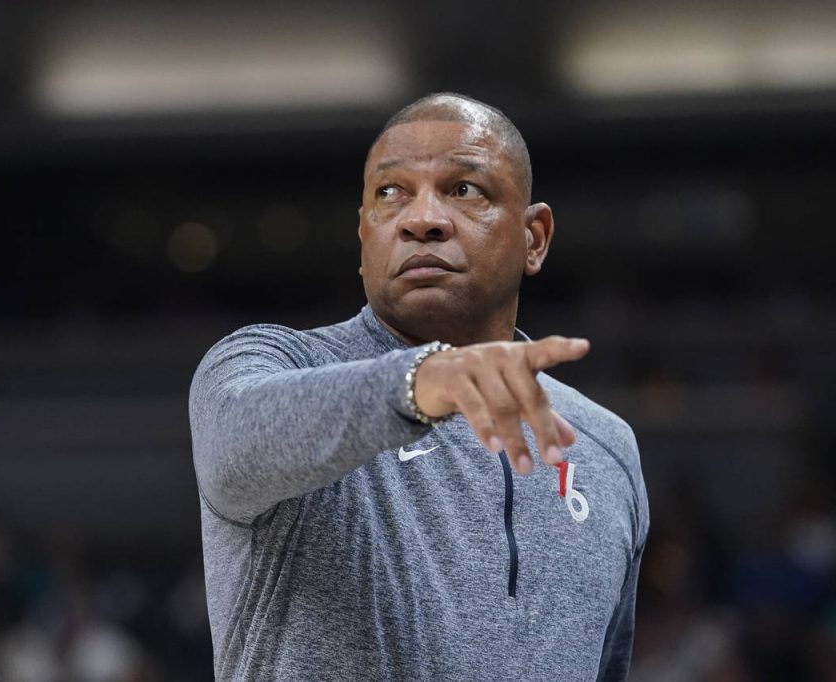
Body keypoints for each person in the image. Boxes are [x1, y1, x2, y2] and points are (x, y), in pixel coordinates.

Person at [189, 93, 649, 681]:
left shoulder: (607, 448)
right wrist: (422, 379)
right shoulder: (271, 363)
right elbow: (234, 448)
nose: (421, 219)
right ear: (364, 238)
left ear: (534, 237)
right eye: (390, 193)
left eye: (464, 189)